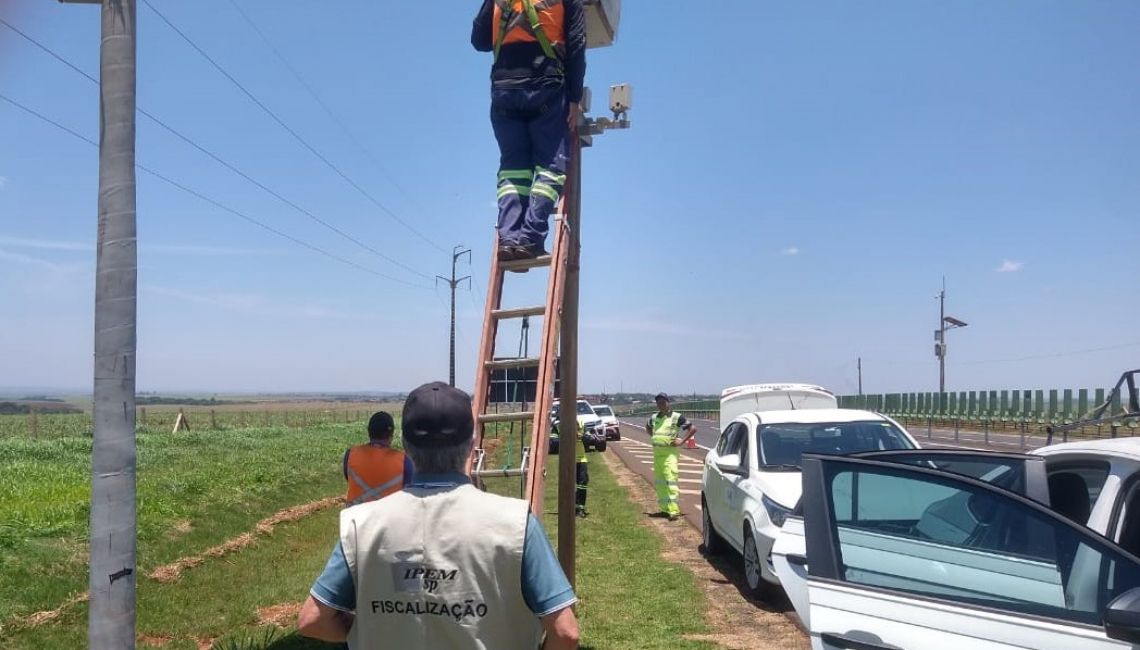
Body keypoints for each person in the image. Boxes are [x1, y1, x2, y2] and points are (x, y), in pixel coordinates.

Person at [298, 381, 580, 650]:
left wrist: (371, 628)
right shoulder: (517, 523)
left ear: (406, 447)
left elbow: (313, 620)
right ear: (471, 445)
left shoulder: (359, 527)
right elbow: (565, 632)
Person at [471, 0, 587, 262]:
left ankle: (509, 237)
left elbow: (479, 40)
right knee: (550, 167)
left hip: (504, 92)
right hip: (545, 89)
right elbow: (577, 45)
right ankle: (530, 238)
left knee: (513, 170)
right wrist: (574, 98)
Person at [343, 411, 415, 506]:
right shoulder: (405, 460)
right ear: (391, 434)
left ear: (368, 432)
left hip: (355, 518)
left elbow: (349, 478)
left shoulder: (351, 454)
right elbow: (409, 492)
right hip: (388, 518)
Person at [645, 392, 697, 521]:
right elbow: (647, 426)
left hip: (669, 455)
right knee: (661, 482)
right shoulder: (654, 417)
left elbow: (692, 428)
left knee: (670, 480)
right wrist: (654, 437)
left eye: (663, 402)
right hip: (657, 455)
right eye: (658, 403)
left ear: (668, 402)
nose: (661, 405)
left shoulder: (676, 417)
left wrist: (681, 441)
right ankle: (664, 509)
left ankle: (673, 510)